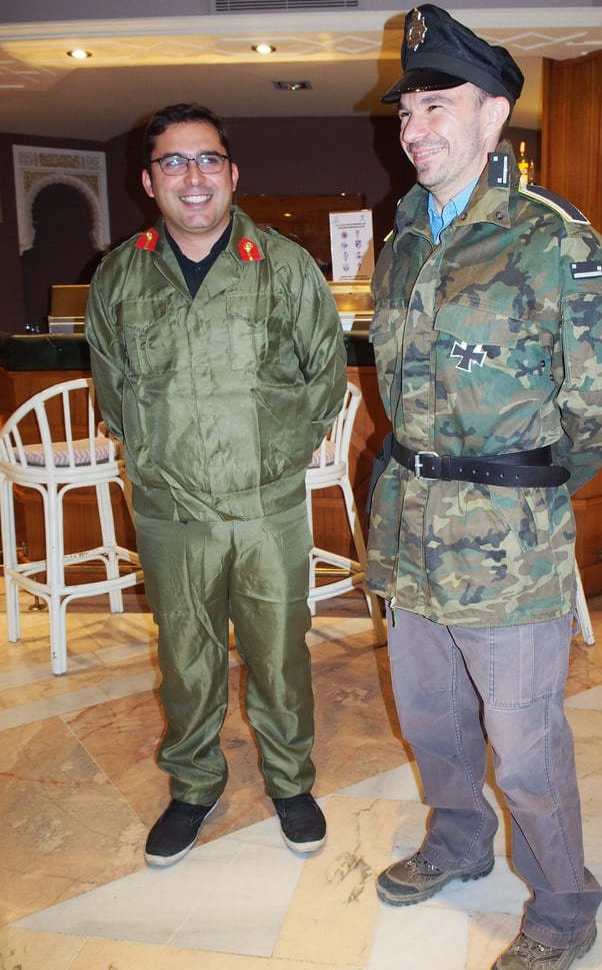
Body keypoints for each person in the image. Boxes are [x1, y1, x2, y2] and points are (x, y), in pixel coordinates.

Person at [366, 6, 602, 970]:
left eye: (436, 106)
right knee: (432, 720)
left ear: (493, 115)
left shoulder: (552, 238)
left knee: (525, 748)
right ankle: (457, 843)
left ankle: (565, 909)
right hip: (411, 532)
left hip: (507, 549)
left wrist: (528, 486)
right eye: (406, 111)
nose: (414, 129)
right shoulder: (404, 237)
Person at [85, 102, 347, 867]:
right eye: (173, 161)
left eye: (206, 160)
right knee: (186, 657)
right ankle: (194, 785)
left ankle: (291, 783)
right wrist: (157, 457)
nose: (192, 176)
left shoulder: (285, 265)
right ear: (149, 180)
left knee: (280, 655)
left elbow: (326, 376)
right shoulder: (120, 274)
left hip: (266, 509)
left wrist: (276, 457)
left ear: (232, 174)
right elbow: (112, 388)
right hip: (170, 511)